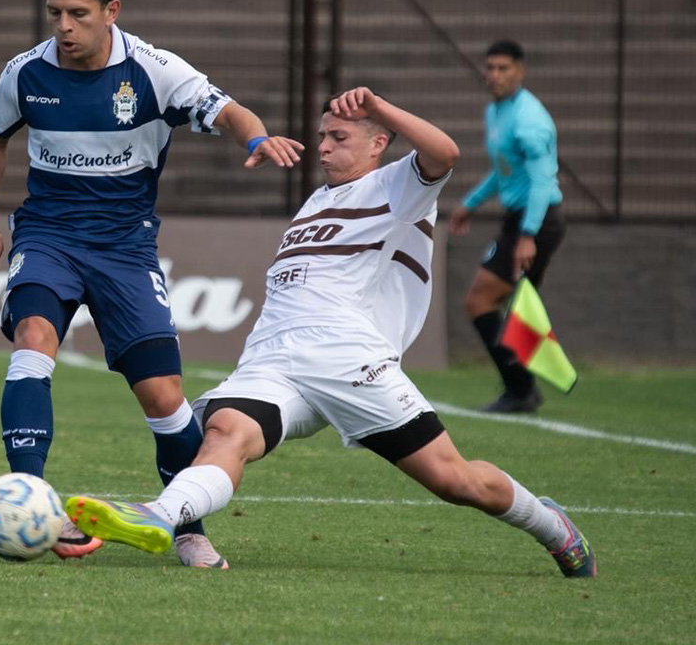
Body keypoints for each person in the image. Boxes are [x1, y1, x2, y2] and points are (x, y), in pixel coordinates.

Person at [65, 88, 596, 580]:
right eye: (321, 136)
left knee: (456, 481)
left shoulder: (398, 185)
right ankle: (162, 519)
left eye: (338, 138)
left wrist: (381, 105)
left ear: (378, 143)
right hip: (275, 361)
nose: (322, 148)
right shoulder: (316, 202)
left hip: (350, 361)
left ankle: (554, 528)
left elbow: (446, 153)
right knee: (225, 432)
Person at [0, 0, 303, 567]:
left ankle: (188, 526)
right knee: (33, 338)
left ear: (111, 12)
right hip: (48, 236)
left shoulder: (154, 70)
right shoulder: (25, 73)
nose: (63, 27)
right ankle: (35, 499)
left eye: (78, 14)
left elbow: (227, 111)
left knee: (163, 394)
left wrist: (256, 137)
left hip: (125, 247)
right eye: (55, 13)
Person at [448, 40, 565, 413]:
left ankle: (521, 389)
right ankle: (521, 387)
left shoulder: (530, 121)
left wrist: (528, 235)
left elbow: (543, 180)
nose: (494, 75)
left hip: (537, 221)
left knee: (481, 300)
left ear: (521, 71)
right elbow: (505, 170)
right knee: (498, 303)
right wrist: (470, 204)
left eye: (503, 68)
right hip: (520, 220)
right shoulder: (496, 111)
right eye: (490, 68)